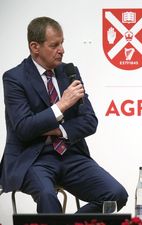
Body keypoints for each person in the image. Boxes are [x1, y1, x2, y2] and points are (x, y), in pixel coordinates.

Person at [0, 16, 128, 213]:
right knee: (47, 195)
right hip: (33, 159)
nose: (62, 50)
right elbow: (24, 129)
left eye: (62, 43)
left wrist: (57, 130)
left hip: (70, 155)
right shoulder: (14, 78)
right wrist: (61, 106)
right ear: (35, 47)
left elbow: (89, 121)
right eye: (55, 45)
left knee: (116, 194)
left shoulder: (69, 72)